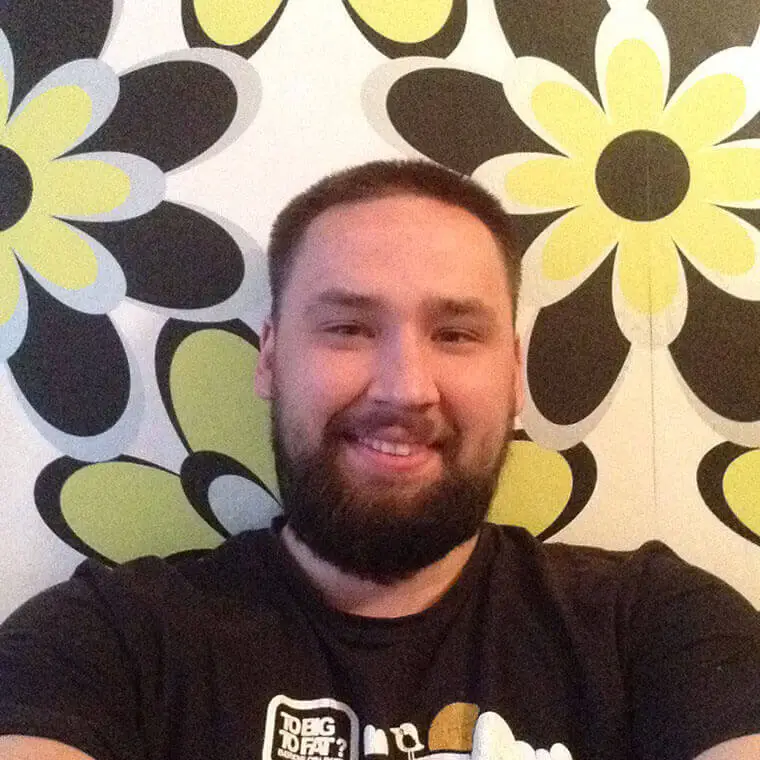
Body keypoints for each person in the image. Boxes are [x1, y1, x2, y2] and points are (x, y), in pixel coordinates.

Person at [0, 160, 758, 760]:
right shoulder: (103, 642)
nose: (405, 388)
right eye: (349, 328)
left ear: (515, 373)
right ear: (270, 357)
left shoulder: (656, 626)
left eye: (456, 334)